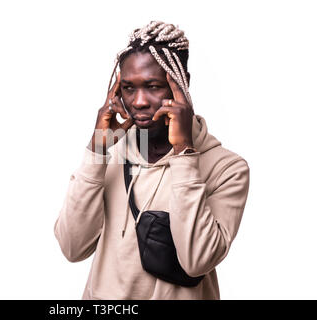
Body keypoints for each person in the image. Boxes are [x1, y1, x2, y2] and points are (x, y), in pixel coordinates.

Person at [54, 21, 250, 300]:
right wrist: (96, 153)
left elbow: (198, 261)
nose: (139, 101)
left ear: (182, 84)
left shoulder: (227, 169)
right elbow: (72, 248)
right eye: (128, 88)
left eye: (153, 86)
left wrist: (184, 153)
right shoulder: (110, 155)